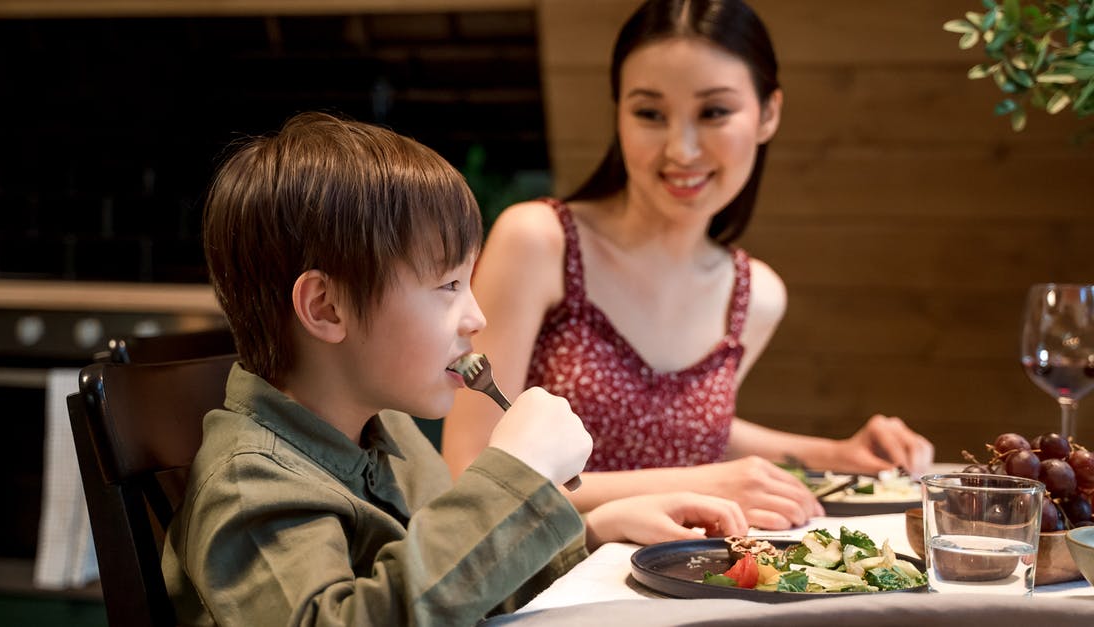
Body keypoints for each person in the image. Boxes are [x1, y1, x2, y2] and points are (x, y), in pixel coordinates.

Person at [160, 112, 748, 626]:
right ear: (326, 307)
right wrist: (516, 473)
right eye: (447, 285)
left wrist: (595, 530)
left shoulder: (389, 434)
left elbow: (457, 586)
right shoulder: (251, 484)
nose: (476, 316)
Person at [440, 0, 934, 531]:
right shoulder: (540, 241)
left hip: (687, 578)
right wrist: (702, 481)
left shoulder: (756, 294)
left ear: (768, 114)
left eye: (714, 112)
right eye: (650, 114)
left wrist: (836, 453)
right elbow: (471, 475)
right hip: (544, 591)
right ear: (618, 113)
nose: (682, 148)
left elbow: (676, 421)